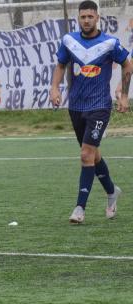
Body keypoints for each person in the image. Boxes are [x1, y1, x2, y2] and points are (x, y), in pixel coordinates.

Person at [50, 0, 130, 224]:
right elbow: (60, 65)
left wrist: (124, 94)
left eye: (90, 16)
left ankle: (79, 208)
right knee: (92, 154)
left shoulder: (110, 43)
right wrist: (54, 87)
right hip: (76, 106)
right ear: (78, 18)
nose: (86, 20)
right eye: (83, 17)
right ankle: (112, 191)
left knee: (86, 154)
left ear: (97, 18)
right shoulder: (69, 41)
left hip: (99, 106)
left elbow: (128, 64)